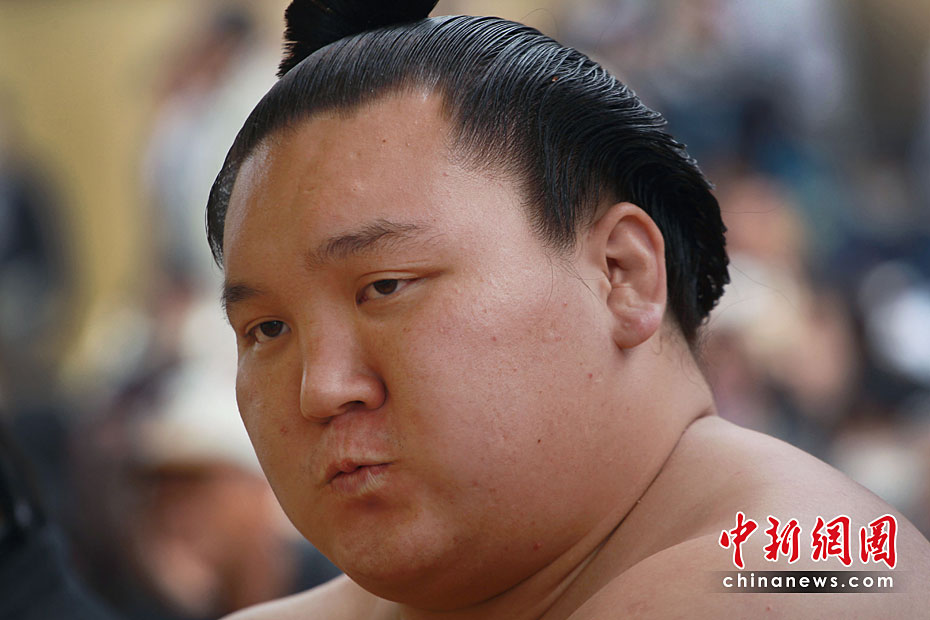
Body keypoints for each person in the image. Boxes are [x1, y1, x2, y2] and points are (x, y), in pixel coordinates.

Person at [205, 1, 930, 617]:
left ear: (622, 275)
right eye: (266, 329)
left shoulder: (805, 570)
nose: (322, 389)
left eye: (386, 286)